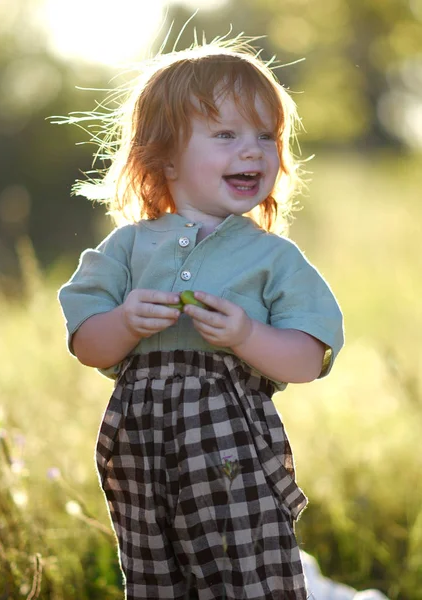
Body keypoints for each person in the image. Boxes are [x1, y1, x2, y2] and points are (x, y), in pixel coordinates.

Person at [58, 37, 344, 600]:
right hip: (140, 447)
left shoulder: (271, 257)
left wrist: (246, 334)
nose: (253, 152)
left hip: (229, 447)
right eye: (226, 135)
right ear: (164, 156)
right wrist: (126, 322)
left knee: (246, 569)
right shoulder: (128, 248)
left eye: (266, 136)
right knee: (153, 570)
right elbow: (88, 343)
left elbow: (310, 358)